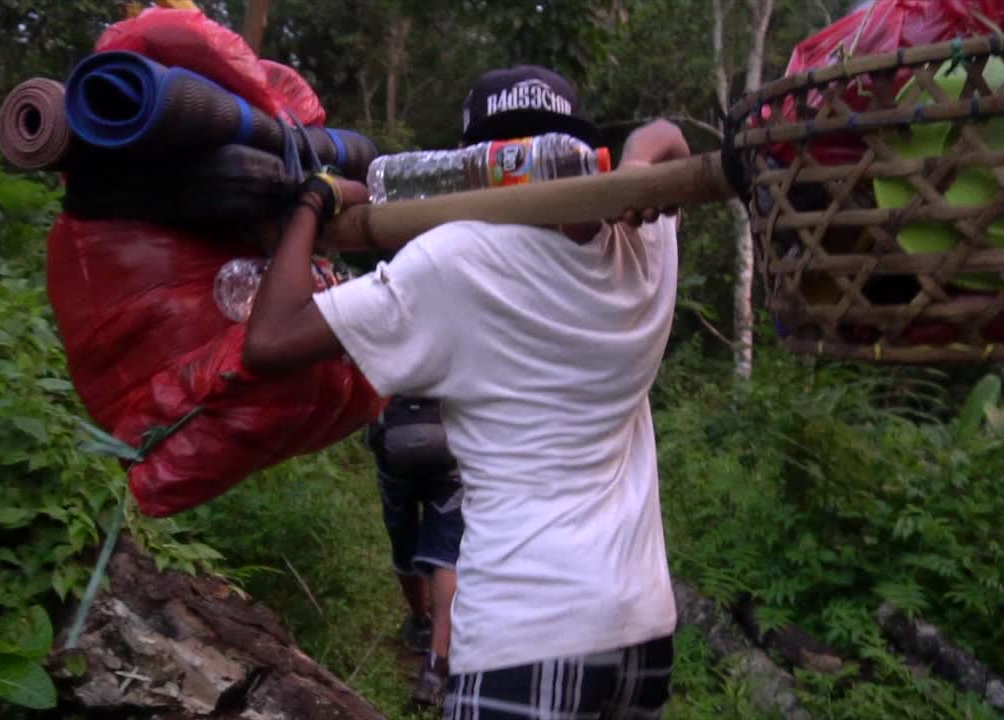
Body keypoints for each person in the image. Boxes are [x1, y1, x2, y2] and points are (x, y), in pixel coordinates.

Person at [244, 64, 688, 719]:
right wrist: (639, 166)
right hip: (643, 631)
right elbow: (667, 133)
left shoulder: (458, 263)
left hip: (529, 632)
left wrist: (313, 200)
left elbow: (270, 339)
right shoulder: (647, 243)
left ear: (473, 163)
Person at [365, 395, 463, 706]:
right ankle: (436, 665)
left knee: (403, 537)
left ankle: (420, 620)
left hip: (396, 441)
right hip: (447, 439)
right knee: (447, 556)